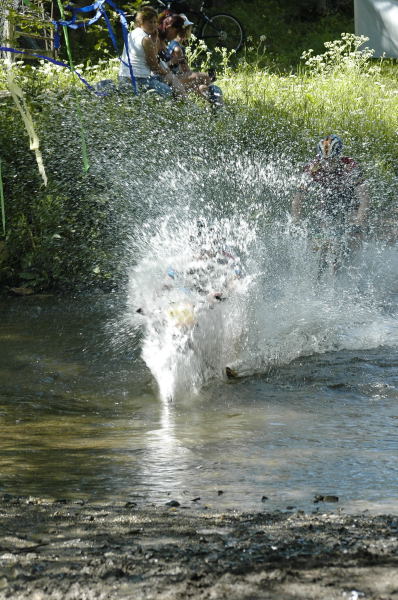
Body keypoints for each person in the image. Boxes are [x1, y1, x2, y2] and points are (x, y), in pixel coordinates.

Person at [291, 134, 370, 272]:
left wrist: (357, 222)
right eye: (324, 161)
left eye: (331, 161)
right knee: (322, 236)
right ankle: (317, 268)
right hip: (327, 198)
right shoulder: (312, 167)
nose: (327, 165)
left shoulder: (350, 166)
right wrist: (295, 221)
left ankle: (355, 266)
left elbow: (364, 200)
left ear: (338, 157)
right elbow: (298, 199)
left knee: (354, 234)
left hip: (350, 198)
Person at [118, 7, 186, 99]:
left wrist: (154, 39)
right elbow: (154, 66)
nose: (154, 25)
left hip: (123, 78)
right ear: (141, 22)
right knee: (169, 91)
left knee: (171, 79)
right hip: (139, 80)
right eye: (150, 22)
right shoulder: (145, 39)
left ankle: (184, 103)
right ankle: (183, 104)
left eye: (155, 22)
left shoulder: (131, 34)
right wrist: (166, 72)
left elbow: (152, 56)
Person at [165, 14, 224, 107]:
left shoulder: (173, 44)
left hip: (176, 78)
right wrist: (205, 76)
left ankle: (212, 108)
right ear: (185, 30)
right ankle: (217, 108)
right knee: (207, 78)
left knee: (202, 87)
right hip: (174, 79)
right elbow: (186, 71)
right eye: (189, 29)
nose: (191, 32)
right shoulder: (178, 49)